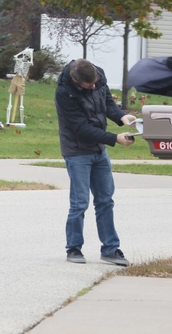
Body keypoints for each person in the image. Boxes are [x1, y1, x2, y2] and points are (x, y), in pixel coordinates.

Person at [55, 59, 136, 266]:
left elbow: (107, 103)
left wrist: (122, 117)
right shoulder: (65, 93)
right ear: (75, 80)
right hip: (77, 151)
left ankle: (110, 249)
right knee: (80, 202)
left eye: (95, 83)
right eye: (88, 86)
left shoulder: (97, 76)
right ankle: (73, 248)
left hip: (99, 150)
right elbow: (80, 128)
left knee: (105, 200)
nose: (93, 87)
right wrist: (114, 138)